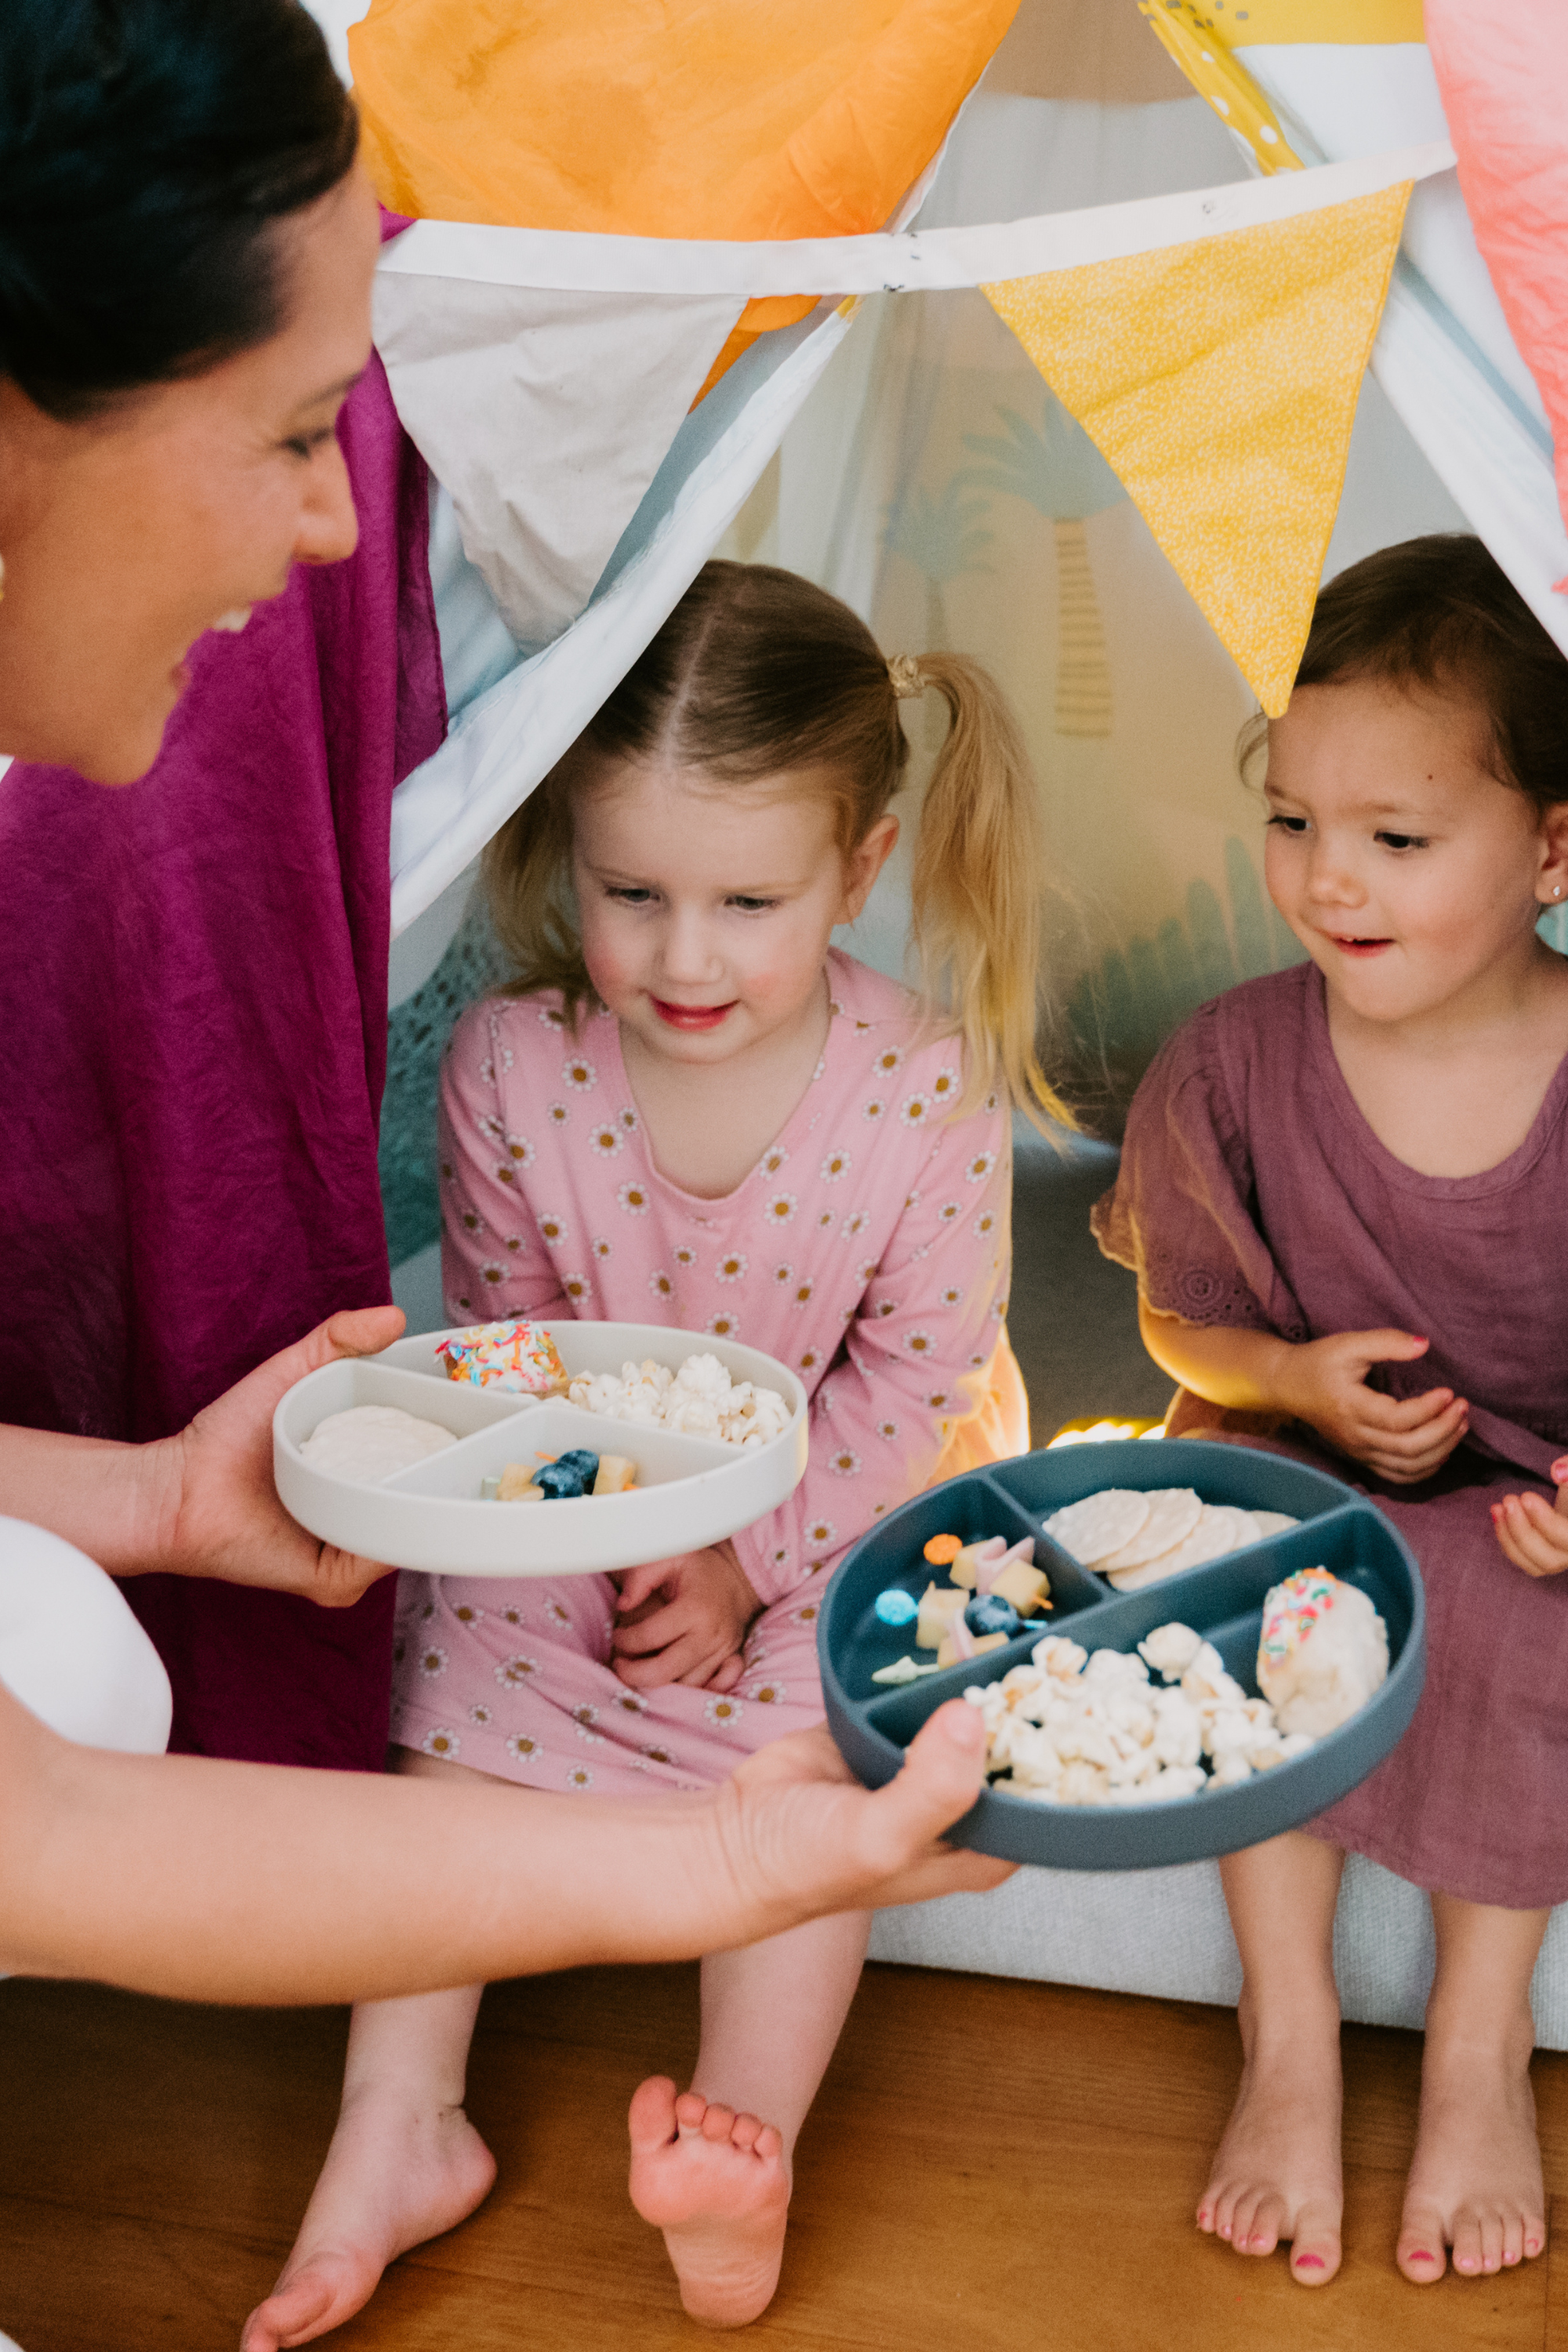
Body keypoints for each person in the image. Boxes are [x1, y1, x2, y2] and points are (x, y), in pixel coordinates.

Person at [0, 0, 1008, 2005]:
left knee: (71, 1641)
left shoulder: (913, 1087)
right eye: (298, 432)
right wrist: (718, 1859)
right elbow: (57, 1840)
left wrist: (139, 1503)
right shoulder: (519, 1070)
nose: (338, 529)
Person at [248, 559, 1062, 2346]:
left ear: (861, 867)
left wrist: (739, 1560)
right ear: (567, 857)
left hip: (821, 1515)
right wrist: (601, 1530)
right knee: (455, 1670)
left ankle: (741, 2144)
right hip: (583, 1513)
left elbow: (906, 1389)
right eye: (633, 892)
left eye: (747, 901)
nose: (684, 955)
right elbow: (511, 1347)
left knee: (818, 1754)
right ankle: (402, 2120)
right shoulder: (511, 1064)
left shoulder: (923, 1089)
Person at [1092, 535, 1568, 2290]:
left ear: (1554, 849)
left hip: (1526, 1503)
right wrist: (1287, 1380)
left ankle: (1475, 2047)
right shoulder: (1230, 1058)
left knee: (1522, 1619)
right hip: (1304, 1470)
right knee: (1255, 1584)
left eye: (1395, 838)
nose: (1325, 880)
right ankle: (1283, 2033)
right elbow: (1177, 1314)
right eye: (1291, 818)